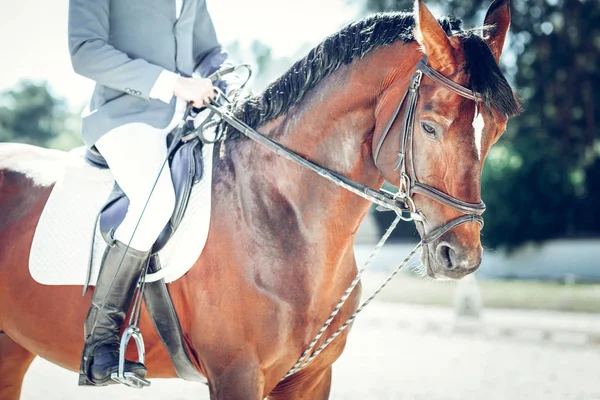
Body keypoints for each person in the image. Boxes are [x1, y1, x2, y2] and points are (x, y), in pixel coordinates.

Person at [68, 0, 240, 386]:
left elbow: (207, 51)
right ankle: (101, 342)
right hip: (125, 117)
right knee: (154, 201)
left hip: (189, 118)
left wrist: (224, 78)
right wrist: (173, 83)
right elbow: (84, 52)